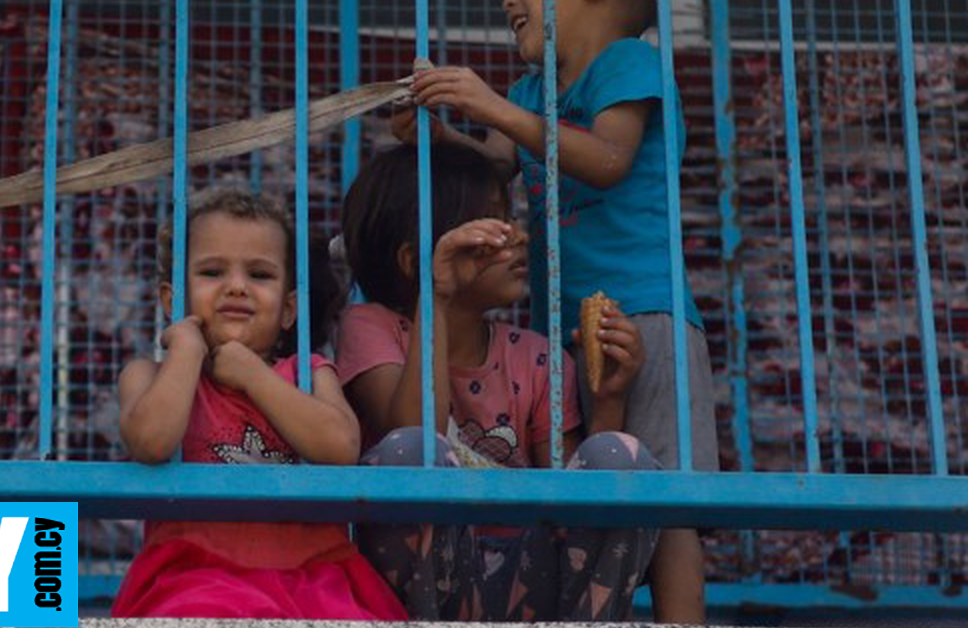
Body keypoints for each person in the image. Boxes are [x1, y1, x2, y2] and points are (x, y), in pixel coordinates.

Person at [391, 0, 720, 621]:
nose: (507, 3)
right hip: (558, 330)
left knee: (667, 499)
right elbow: (500, 160)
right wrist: (444, 136)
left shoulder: (629, 63)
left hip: (645, 314)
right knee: (575, 489)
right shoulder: (531, 89)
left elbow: (608, 159)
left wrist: (494, 107)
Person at [336, 144, 659, 621]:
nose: (519, 237)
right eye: (492, 225)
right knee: (411, 449)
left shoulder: (536, 355)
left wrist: (607, 398)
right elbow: (412, 430)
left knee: (620, 456)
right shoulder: (370, 327)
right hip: (430, 582)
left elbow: (570, 495)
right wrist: (437, 293)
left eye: (511, 220)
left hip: (526, 582)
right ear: (414, 261)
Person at [111, 190, 405, 620]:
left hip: (313, 572)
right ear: (173, 301)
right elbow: (151, 441)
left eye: (260, 275)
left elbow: (341, 446)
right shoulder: (148, 376)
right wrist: (187, 350)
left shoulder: (309, 373)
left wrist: (253, 375)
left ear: (288, 310)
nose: (236, 286)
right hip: (197, 573)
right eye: (212, 271)